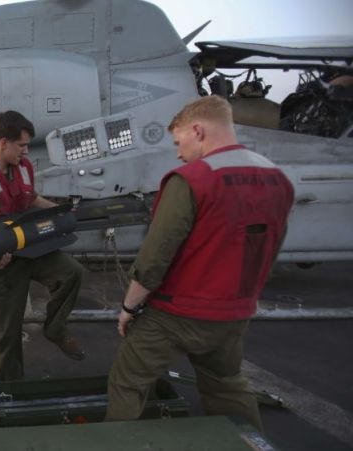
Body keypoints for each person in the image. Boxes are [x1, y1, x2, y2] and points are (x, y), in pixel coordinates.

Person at [104, 96, 294, 430]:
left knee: (127, 381)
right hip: (234, 315)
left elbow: (155, 256)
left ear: (197, 130)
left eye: (179, 142)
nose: (178, 152)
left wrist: (129, 307)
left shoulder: (192, 179)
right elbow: (272, 248)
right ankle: (249, 441)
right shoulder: (278, 178)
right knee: (226, 385)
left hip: (177, 315)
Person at [0, 110, 85, 381]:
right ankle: (11, 392)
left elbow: (32, 198)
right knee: (8, 335)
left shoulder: (23, 167)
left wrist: (62, 212)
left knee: (72, 273)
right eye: (22, 145)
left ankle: (55, 329)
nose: (26, 151)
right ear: (3, 143)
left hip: (31, 251)